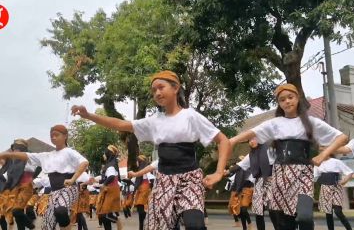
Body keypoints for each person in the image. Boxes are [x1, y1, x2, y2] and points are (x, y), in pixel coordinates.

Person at [71, 70, 230, 230]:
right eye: (154, 90)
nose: (157, 93)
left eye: (161, 87)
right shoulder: (154, 120)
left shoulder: (190, 116)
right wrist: (89, 115)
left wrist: (218, 172)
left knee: (195, 225)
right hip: (163, 181)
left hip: (190, 179)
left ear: (175, 88)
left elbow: (223, 140)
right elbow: (121, 124)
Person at [230, 83, 348, 230]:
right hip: (280, 175)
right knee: (285, 223)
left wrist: (323, 154)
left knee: (305, 218)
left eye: (290, 97)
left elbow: (342, 137)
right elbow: (252, 132)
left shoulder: (310, 122)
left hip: (303, 173)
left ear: (297, 98)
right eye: (282, 99)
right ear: (279, 104)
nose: (287, 101)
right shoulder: (275, 123)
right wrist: (232, 141)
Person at [0, 125, 89, 230]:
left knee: (60, 211)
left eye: (56, 135)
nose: (53, 137)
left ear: (65, 136)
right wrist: (5, 154)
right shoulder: (47, 155)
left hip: (69, 189)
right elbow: (25, 155)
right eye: (51, 136)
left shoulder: (70, 152)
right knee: (47, 225)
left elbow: (84, 162)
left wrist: (73, 179)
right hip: (54, 192)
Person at [314, 156, 354, 230]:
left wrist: (344, 181)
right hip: (325, 187)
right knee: (328, 212)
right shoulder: (318, 162)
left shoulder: (336, 161)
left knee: (338, 212)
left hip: (336, 187)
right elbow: (315, 177)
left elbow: (349, 172)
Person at [2, 139, 36, 230]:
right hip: (15, 187)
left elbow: (36, 169)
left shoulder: (29, 157)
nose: (15, 150)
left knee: (16, 211)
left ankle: (30, 225)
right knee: (17, 214)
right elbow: (7, 174)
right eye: (14, 148)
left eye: (17, 148)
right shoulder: (12, 161)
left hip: (26, 187)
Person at [96, 145, 122, 230]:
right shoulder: (111, 164)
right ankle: (116, 220)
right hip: (110, 189)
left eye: (105, 153)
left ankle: (117, 220)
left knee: (105, 214)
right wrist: (98, 182)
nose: (104, 155)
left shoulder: (111, 165)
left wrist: (103, 185)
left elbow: (111, 177)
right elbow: (107, 178)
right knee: (105, 215)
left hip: (111, 190)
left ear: (108, 153)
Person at [225, 155, 253, 229]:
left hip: (245, 189)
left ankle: (249, 224)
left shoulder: (247, 168)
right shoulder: (238, 169)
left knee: (243, 209)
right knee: (235, 208)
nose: (241, 161)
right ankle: (241, 225)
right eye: (240, 160)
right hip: (237, 189)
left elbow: (247, 180)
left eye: (242, 159)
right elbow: (234, 178)